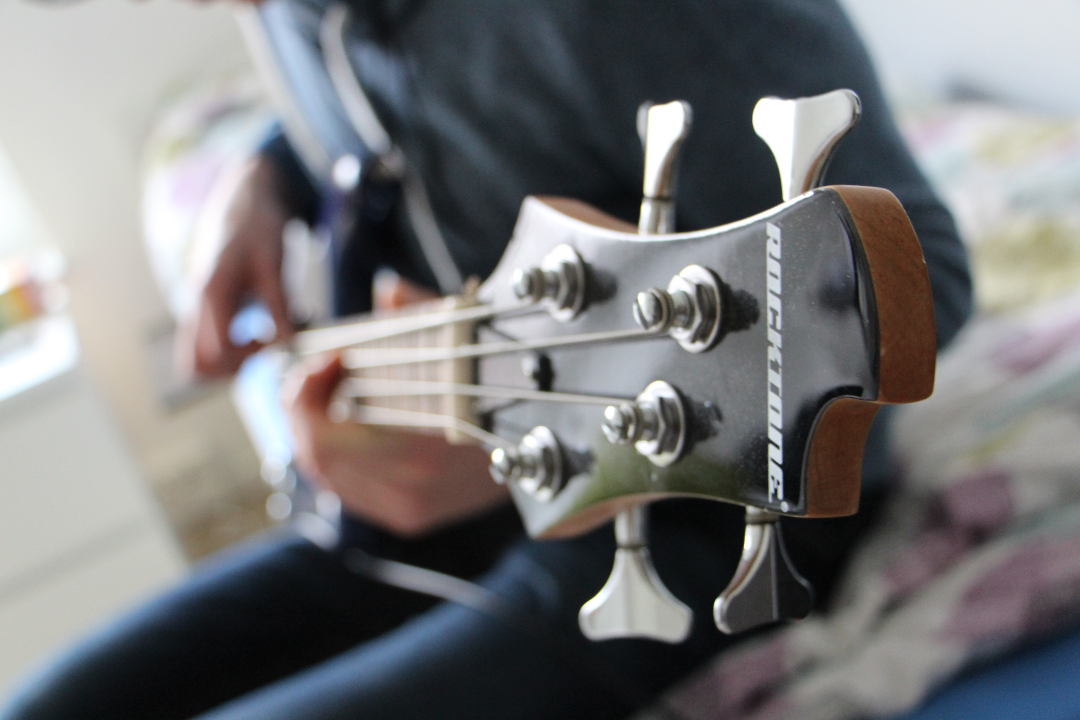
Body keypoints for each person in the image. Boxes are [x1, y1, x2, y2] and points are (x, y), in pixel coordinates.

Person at [0, 1, 972, 719]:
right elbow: (412, 106)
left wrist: (558, 420)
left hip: (704, 527)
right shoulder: (294, 15)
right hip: (450, 500)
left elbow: (909, 280)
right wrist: (266, 175)